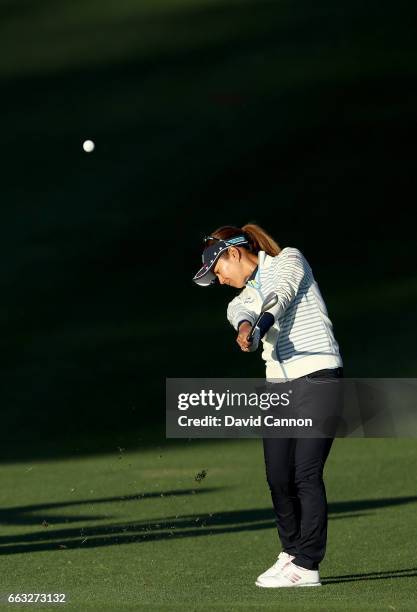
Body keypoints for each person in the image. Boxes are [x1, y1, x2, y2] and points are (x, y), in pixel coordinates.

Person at [192, 223, 343, 588]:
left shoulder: (289, 259)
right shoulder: (243, 295)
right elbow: (239, 313)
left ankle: (307, 565)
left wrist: (263, 324)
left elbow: (282, 294)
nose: (219, 279)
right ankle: (291, 553)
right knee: (278, 477)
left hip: (318, 376)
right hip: (279, 388)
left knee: (305, 473)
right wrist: (246, 329)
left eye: (218, 271)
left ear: (233, 253)